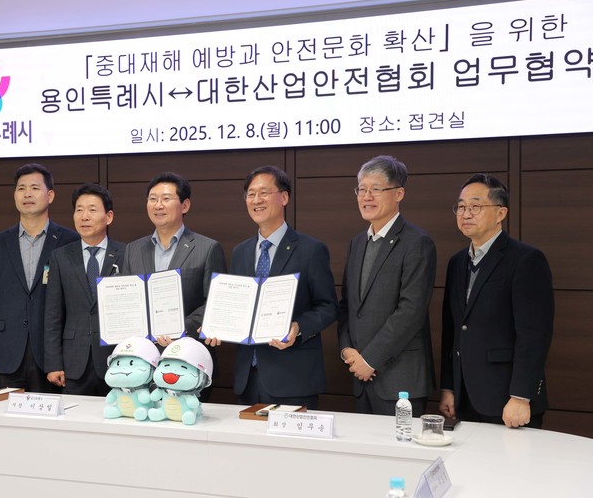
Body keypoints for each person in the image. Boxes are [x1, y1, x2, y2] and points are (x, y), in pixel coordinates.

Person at [215, 165, 338, 410]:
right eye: (251, 194)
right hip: (248, 378)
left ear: (284, 197)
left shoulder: (311, 249)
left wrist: (298, 327)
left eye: (263, 193)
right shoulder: (240, 252)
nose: (256, 200)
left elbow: (328, 306)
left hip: (293, 378)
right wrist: (218, 324)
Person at [440, 173, 553, 428]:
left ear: (501, 213)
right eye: (461, 207)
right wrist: (448, 387)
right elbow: (453, 330)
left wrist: (521, 396)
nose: (466, 214)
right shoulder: (456, 262)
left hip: (508, 400)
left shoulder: (525, 259)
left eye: (476, 206)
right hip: (464, 396)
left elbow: (534, 335)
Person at [337, 155, 436, 417]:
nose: (366, 197)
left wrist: (370, 360)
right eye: (362, 189)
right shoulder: (357, 243)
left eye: (376, 189)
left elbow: (411, 310)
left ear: (399, 193)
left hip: (400, 382)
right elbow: (347, 306)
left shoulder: (417, 242)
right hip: (360, 378)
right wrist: (346, 350)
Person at [122, 172, 227, 399]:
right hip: (141, 364)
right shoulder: (132, 250)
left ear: (185, 205)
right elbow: (128, 301)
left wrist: (180, 328)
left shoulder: (207, 248)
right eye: (153, 199)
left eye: (166, 198)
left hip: (188, 363)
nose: (158, 205)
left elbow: (215, 302)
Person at [0, 163, 78, 393]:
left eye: (34, 188)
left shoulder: (69, 241)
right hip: (5, 353)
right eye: (21, 188)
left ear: (50, 196)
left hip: (52, 357)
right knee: (6, 415)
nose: (27, 194)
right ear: (14, 195)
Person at [44, 183, 125, 396]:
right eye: (79, 210)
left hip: (116, 360)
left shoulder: (126, 253)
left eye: (92, 210)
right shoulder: (60, 256)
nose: (84, 216)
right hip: (73, 362)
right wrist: (53, 363)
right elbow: (53, 313)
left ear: (108, 217)